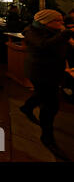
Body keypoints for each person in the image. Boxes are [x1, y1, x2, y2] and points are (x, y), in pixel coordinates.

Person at [19, 9, 73, 161]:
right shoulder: (31, 31)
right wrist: (66, 35)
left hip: (54, 71)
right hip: (40, 72)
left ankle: (27, 107)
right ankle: (47, 137)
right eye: (58, 21)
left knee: (42, 95)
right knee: (50, 104)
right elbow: (44, 46)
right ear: (45, 22)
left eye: (62, 20)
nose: (62, 23)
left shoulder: (56, 31)